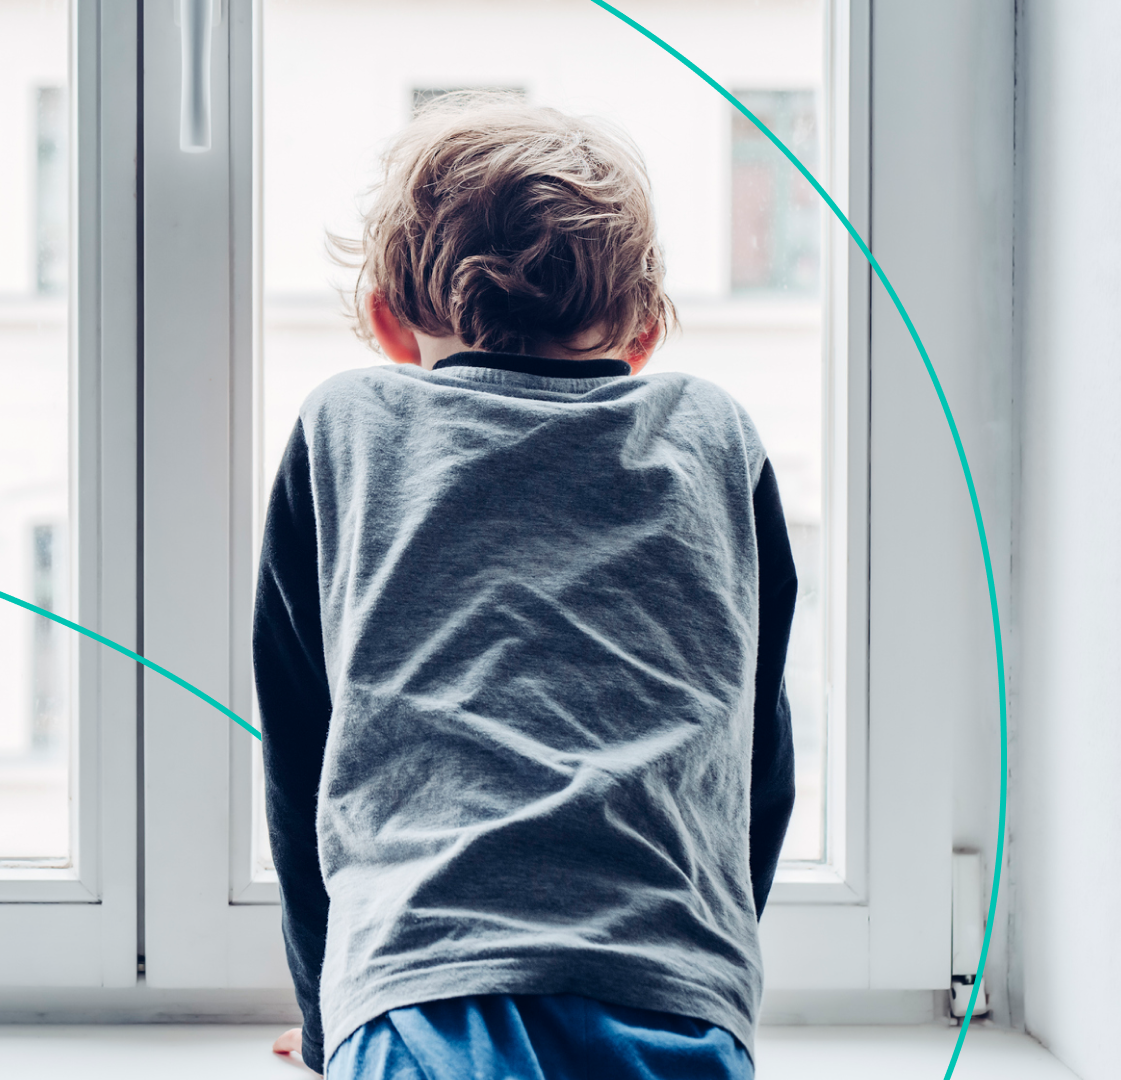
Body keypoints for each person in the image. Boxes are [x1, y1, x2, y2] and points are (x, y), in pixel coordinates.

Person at [254, 93, 797, 1079]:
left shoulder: (348, 427)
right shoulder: (714, 435)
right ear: (642, 333)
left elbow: (303, 762)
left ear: (383, 319)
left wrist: (334, 1015)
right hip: (674, 1004)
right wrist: (712, 976)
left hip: (423, 994)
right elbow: (754, 758)